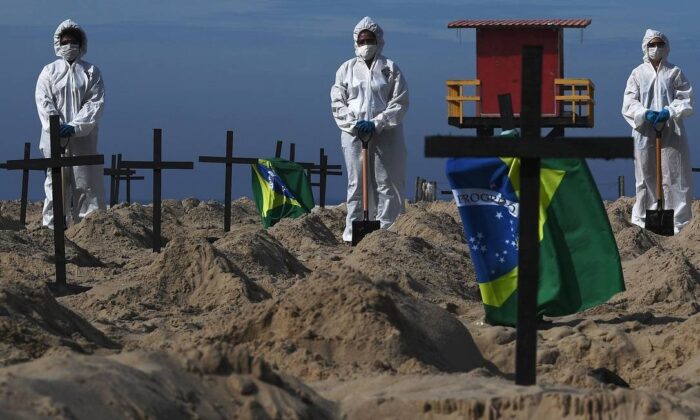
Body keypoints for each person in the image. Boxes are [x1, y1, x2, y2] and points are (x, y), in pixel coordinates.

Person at [330, 16, 409, 243]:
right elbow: (338, 102)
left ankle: (388, 231)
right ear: (356, 42)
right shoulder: (346, 70)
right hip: (354, 134)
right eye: (363, 40)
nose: (366, 44)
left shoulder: (390, 68)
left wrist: (377, 123)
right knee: (356, 183)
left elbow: (399, 102)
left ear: (379, 40)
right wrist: (353, 124)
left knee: (387, 181)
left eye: (370, 39)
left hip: (386, 132)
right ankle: (352, 233)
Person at [35, 19, 106, 229]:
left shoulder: (91, 72)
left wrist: (75, 127)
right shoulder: (49, 72)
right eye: (65, 41)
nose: (69, 46)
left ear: (81, 43)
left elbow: (95, 103)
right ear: (58, 43)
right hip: (53, 137)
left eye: (73, 41)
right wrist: (55, 126)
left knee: (86, 183)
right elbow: (43, 101)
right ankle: (52, 226)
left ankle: (88, 228)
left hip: (83, 138)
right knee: (55, 183)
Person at [622, 29, 694, 233]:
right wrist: (644, 113)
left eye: (659, 44)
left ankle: (679, 222)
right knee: (645, 176)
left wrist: (669, 111)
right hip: (644, 131)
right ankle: (643, 221)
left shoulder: (674, 72)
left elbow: (686, 99)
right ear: (645, 47)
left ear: (666, 46)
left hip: (671, 130)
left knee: (675, 174)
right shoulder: (637, 73)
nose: (656, 48)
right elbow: (629, 103)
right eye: (652, 44)